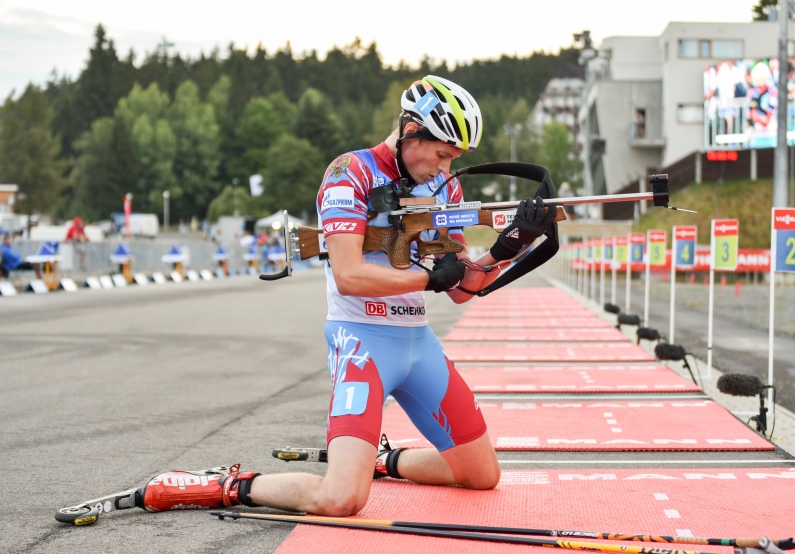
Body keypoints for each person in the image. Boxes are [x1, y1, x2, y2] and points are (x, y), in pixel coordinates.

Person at [137, 75, 556, 517]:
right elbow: (349, 276)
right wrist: (429, 279)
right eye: (441, 155)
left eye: (453, 159)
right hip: (362, 340)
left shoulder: (445, 188)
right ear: (412, 131)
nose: (445, 169)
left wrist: (510, 247)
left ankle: (383, 461)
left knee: (482, 474)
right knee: (341, 499)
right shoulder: (349, 172)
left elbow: (462, 289)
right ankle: (229, 484)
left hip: (418, 342)